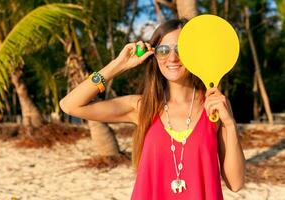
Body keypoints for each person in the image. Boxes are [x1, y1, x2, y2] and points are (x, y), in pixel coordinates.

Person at [59, 18, 245, 200]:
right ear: (155, 56)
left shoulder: (214, 107)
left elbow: (235, 183)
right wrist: (118, 65)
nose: (172, 57)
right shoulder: (142, 107)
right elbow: (69, 105)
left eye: (180, 49)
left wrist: (230, 124)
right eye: (163, 50)